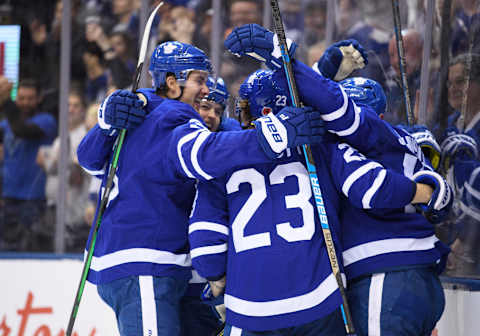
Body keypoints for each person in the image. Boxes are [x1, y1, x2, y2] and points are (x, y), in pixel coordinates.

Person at [76, 41, 324, 336]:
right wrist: (273, 134)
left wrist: (109, 120)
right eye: (200, 81)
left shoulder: (145, 113)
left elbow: (92, 161)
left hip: (150, 262)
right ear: (172, 83)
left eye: (216, 107)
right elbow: (204, 154)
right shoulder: (172, 117)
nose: (206, 91)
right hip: (144, 259)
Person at [224, 25, 452, 335]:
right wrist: (428, 192)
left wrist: (285, 59)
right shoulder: (402, 138)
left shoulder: (347, 139)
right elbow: (440, 198)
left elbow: (369, 186)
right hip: (418, 271)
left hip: (381, 273)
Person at [0, 77, 57, 251]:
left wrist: (6, 101)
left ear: (39, 99)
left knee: (28, 249)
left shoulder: (46, 121)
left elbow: (22, 131)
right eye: (21, 98)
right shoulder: (5, 124)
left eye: (30, 99)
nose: (25, 103)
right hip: (8, 197)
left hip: (33, 199)